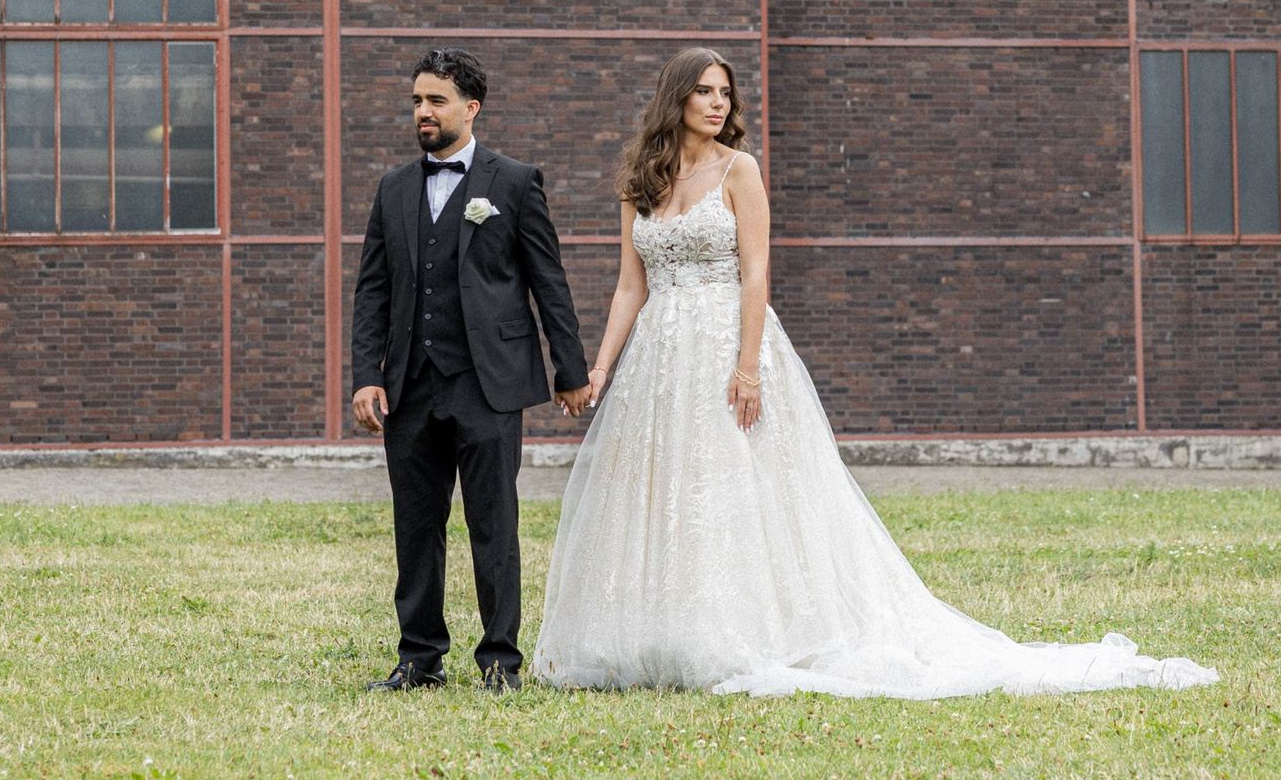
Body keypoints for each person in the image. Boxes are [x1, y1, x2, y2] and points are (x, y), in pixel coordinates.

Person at [531, 47, 1217, 699]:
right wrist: (601, 365)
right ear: (673, 98)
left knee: (738, 489)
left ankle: (744, 633)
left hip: (726, 345)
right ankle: (661, 634)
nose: (717, 102)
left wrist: (747, 367)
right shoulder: (642, 181)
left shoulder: (740, 170)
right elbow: (629, 285)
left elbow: (757, 270)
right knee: (668, 494)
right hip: (659, 359)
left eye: (724, 91)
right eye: (703, 91)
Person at [350, 49, 591, 693]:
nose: (422, 112)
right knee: (416, 524)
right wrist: (365, 375)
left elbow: (549, 282)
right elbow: (373, 290)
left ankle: (500, 662)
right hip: (409, 383)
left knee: (494, 521)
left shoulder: (513, 182)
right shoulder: (394, 188)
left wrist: (570, 369)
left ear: (470, 107)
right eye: (416, 101)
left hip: (488, 381)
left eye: (435, 101)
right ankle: (420, 657)